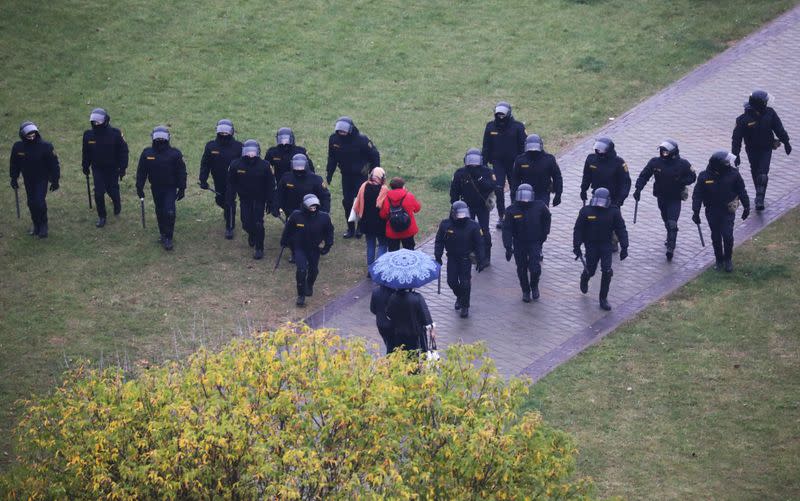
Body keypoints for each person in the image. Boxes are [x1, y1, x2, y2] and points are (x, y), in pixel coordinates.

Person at [633, 139, 697, 261]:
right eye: (662, 151)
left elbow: (693, 177)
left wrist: (681, 181)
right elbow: (644, 175)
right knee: (666, 220)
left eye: (666, 151)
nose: (663, 153)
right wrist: (638, 189)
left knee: (672, 223)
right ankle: (669, 235)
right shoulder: (655, 162)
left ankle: (671, 248)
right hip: (661, 197)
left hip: (675, 198)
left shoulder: (683, 164)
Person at [731, 90, 791, 210]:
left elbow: (779, 128)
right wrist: (735, 155)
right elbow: (736, 138)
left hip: (766, 148)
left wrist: (786, 141)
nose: (766, 103)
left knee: (763, 173)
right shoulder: (743, 120)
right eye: (764, 102)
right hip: (752, 150)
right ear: (759, 103)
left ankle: (759, 199)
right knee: (756, 172)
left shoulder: (770, 113)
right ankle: (760, 194)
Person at [692, 151, 750, 272]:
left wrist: (746, 207)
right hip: (712, 211)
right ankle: (719, 260)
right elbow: (697, 195)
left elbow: (742, 191)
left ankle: (728, 259)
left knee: (728, 235)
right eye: (726, 162)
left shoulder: (733, 174)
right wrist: (696, 212)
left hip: (727, 210)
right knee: (716, 236)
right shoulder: (704, 176)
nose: (728, 164)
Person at [573, 187, 629, 311]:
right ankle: (585, 277)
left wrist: (625, 246)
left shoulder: (613, 212)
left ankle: (603, 298)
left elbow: (621, 229)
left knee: (607, 270)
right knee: (591, 269)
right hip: (591, 244)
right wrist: (577, 245)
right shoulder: (586, 211)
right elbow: (578, 229)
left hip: (606, 244)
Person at [325, 116, 380, 238]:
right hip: (346, 175)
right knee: (347, 202)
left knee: (360, 201)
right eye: (339, 130)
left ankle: (360, 227)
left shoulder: (362, 140)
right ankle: (350, 228)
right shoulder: (334, 140)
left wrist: (374, 172)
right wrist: (329, 173)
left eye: (344, 130)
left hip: (360, 176)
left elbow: (374, 155)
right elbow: (332, 157)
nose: (341, 132)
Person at [136, 126, 187, 250]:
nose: (160, 140)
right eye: (157, 138)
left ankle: (169, 237)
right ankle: (163, 233)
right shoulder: (147, 153)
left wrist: (182, 188)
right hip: (156, 188)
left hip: (170, 188)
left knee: (169, 212)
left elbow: (181, 172)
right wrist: (139, 187)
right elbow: (141, 172)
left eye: (162, 138)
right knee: (159, 210)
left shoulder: (175, 154)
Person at [434, 200, 487, 318]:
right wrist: (438, 255)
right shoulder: (445, 225)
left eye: (464, 213)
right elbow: (439, 241)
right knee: (451, 281)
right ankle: (460, 296)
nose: (462, 217)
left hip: (465, 259)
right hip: (452, 257)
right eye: (459, 214)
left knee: (465, 283)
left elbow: (480, 243)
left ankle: (465, 306)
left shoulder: (473, 225)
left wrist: (481, 259)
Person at [226, 140, 277, 260]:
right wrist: (229, 198)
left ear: (258, 152)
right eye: (248, 152)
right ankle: (252, 234)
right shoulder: (236, 164)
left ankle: (259, 248)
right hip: (245, 198)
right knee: (246, 222)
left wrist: (271, 201)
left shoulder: (265, 165)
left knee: (258, 223)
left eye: (253, 152)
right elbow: (231, 183)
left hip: (260, 198)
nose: (250, 155)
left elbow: (271, 184)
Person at [280, 194, 334, 307]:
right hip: (300, 248)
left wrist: (327, 246)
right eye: (310, 206)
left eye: (315, 206)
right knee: (301, 270)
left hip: (314, 249)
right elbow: (288, 230)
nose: (313, 208)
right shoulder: (296, 216)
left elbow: (329, 232)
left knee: (313, 270)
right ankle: (301, 295)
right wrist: (284, 241)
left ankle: (309, 284)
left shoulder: (324, 217)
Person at [10, 121, 60, 238]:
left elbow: (54, 164)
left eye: (33, 134)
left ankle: (43, 225)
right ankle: (36, 224)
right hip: (28, 179)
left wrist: (55, 180)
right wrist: (14, 178)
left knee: (39, 202)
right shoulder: (18, 147)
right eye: (28, 136)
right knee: (31, 203)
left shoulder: (46, 146)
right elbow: (14, 164)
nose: (32, 137)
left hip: (41, 179)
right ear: (23, 135)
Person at [502, 184, 551, 302]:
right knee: (521, 268)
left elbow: (547, 218)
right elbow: (507, 229)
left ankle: (534, 286)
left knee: (535, 268)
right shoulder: (511, 210)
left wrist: (543, 235)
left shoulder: (540, 207)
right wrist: (508, 247)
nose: (525, 199)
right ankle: (525, 290)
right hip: (519, 243)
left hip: (535, 242)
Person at [482, 101, 527, 228]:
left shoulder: (518, 127)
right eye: (498, 114)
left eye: (503, 114)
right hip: (498, 163)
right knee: (498, 188)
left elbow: (523, 147)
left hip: (514, 163)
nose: (501, 117)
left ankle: (513, 215)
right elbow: (486, 147)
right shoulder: (490, 127)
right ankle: (502, 216)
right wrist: (484, 166)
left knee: (515, 188)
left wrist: (523, 164)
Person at [81, 108, 129, 228]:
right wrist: (85, 166)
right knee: (98, 193)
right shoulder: (88, 135)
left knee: (112, 190)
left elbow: (124, 151)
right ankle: (102, 216)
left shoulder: (116, 134)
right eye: (94, 122)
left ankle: (117, 203)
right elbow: (86, 152)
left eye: (99, 122)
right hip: (97, 168)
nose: (96, 124)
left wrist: (123, 168)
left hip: (112, 168)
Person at [199, 119, 242, 239]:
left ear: (231, 132)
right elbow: (205, 164)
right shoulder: (211, 146)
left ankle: (230, 227)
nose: (224, 134)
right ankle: (228, 211)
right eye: (221, 132)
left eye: (226, 132)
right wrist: (203, 179)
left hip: (234, 180)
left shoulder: (239, 147)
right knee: (220, 200)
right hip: (218, 179)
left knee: (229, 202)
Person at [450, 148, 496, 262]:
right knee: (466, 230)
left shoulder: (486, 172)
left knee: (484, 230)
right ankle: (468, 253)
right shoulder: (460, 173)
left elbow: (491, 186)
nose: (473, 164)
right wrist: (455, 206)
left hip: (482, 207)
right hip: (466, 208)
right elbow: (454, 190)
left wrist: (480, 179)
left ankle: (486, 256)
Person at [510, 134, 562, 207]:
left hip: (543, 193)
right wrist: (513, 197)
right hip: (525, 193)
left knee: (542, 214)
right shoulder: (520, 160)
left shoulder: (549, 159)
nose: (533, 151)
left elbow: (557, 177)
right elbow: (515, 180)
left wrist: (558, 194)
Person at [353, 167, 389, 269]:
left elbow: (357, 204)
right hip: (380, 223)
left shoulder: (364, 186)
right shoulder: (384, 189)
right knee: (382, 244)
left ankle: (370, 269)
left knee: (370, 245)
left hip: (366, 221)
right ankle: (378, 268)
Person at [385, 288, 432, 353]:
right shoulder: (417, 298)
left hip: (399, 333)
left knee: (402, 354)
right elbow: (425, 315)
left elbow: (389, 314)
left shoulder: (393, 297)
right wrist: (431, 329)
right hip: (415, 333)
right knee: (416, 354)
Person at [380, 177, 421, 251]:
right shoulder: (409, 196)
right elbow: (417, 209)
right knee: (409, 252)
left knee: (393, 254)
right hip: (408, 229)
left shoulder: (386, 198)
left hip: (392, 231)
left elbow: (383, 215)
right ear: (403, 186)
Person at [369, 284, 395, 353]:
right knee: (393, 347)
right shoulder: (395, 293)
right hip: (393, 325)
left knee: (387, 343)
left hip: (381, 324)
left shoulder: (375, 291)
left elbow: (372, 309)